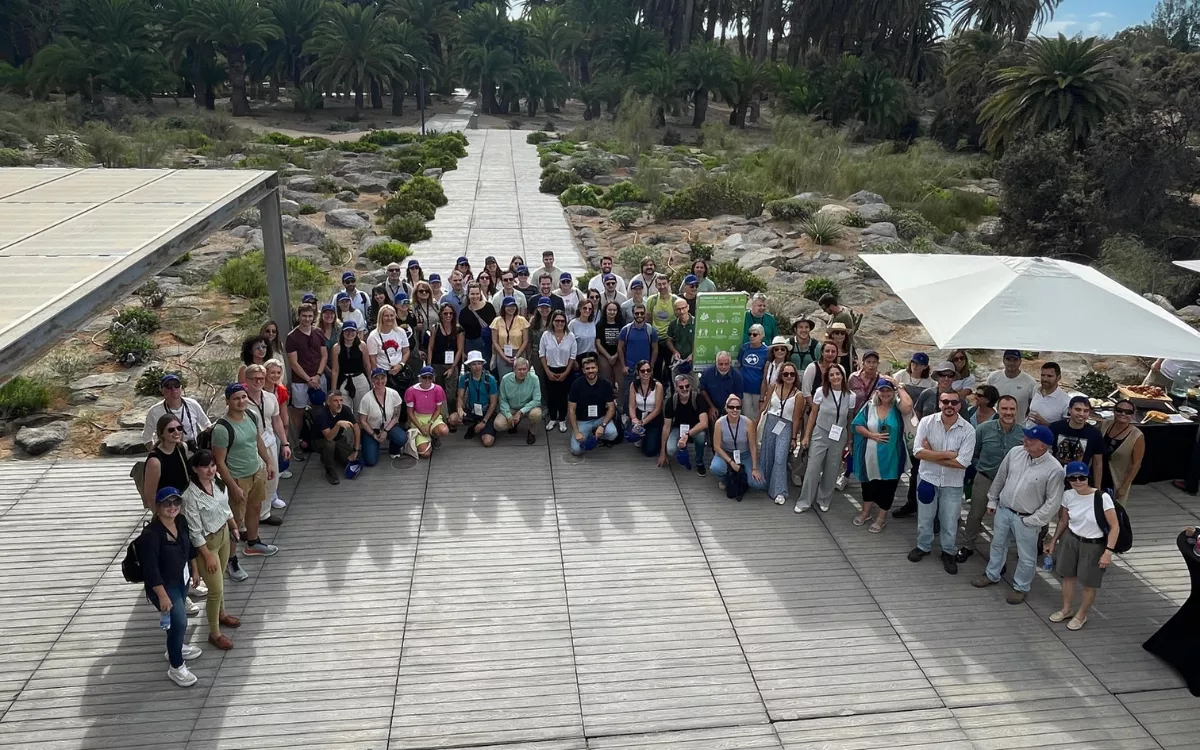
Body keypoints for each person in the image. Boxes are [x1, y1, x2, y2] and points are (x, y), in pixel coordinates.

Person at [971, 424, 1065, 602]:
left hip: (1026, 519)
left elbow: (1053, 502)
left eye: (1030, 439)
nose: (1025, 440)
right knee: (997, 544)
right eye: (1026, 437)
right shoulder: (1015, 452)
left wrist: (1033, 520)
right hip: (1004, 510)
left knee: (1026, 556)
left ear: (1042, 446)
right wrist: (993, 499)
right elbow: (1000, 477)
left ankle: (1021, 587)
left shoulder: (1055, 469)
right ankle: (992, 574)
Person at [1044, 462, 1120, 630]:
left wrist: (1108, 552)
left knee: (1088, 583)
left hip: (1094, 544)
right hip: (1071, 539)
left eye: (1081, 478)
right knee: (1067, 576)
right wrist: (1053, 540)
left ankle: (1081, 615)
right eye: (1073, 478)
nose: (1077, 481)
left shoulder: (1102, 498)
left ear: (1088, 478)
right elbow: (1064, 521)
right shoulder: (1068, 495)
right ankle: (1066, 609)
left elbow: (1115, 526)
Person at [907, 387, 975, 574]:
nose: (949, 405)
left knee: (950, 520)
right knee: (925, 517)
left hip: (952, 483)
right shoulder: (927, 422)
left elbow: (963, 463)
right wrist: (946, 455)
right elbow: (917, 452)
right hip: (928, 479)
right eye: (946, 402)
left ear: (959, 405)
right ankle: (923, 546)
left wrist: (931, 454)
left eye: (954, 402)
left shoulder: (968, 430)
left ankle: (948, 551)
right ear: (940, 403)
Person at [138, 486, 200, 687]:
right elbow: (151, 570)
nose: (172, 507)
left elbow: (188, 547)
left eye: (176, 502)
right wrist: (162, 596)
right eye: (167, 503)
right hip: (164, 586)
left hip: (181, 580)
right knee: (180, 622)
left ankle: (176, 646)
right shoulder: (150, 535)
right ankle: (176, 667)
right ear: (157, 507)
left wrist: (195, 570)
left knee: (175, 622)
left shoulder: (180, 521)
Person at [181, 450, 241, 650]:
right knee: (215, 590)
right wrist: (206, 556)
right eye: (205, 466)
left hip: (223, 535)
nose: (210, 469)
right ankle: (214, 633)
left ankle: (222, 614)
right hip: (207, 544)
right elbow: (194, 531)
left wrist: (233, 526)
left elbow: (225, 509)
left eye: (213, 465)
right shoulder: (190, 496)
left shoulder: (217, 483)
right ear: (195, 469)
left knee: (221, 580)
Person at [211, 384, 278, 559]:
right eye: (236, 398)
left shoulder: (251, 415)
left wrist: (268, 462)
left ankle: (253, 543)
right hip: (238, 477)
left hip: (256, 471)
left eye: (243, 397)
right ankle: (231, 558)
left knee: (255, 508)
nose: (241, 401)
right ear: (227, 401)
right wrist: (233, 486)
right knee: (235, 520)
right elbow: (219, 462)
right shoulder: (222, 429)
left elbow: (257, 440)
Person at [956, 395, 1024, 562]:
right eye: (1004, 409)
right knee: (975, 514)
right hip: (986, 477)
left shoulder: (1024, 433)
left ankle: (1002, 551)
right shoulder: (983, 429)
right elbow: (974, 452)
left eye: (1012, 409)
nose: (1008, 412)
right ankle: (968, 545)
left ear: (1016, 410)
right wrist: (979, 468)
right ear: (998, 410)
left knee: (1006, 518)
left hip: (1012, 482)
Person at [894, 361, 961, 518]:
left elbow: (961, 425)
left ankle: (941, 514)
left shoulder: (958, 400)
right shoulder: (928, 394)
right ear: (937, 377)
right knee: (917, 474)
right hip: (924, 445)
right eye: (943, 375)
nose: (946, 378)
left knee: (943, 480)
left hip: (946, 447)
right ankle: (912, 503)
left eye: (950, 375)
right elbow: (917, 416)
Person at [851, 377, 913, 532]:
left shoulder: (898, 408)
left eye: (889, 390)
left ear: (893, 392)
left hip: (892, 457)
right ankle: (865, 512)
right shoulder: (869, 406)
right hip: (869, 457)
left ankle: (881, 518)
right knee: (868, 485)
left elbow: (909, 405)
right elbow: (857, 425)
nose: (885, 393)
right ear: (877, 392)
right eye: (882, 390)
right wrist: (872, 435)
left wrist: (899, 385)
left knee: (888, 487)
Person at [795, 364, 855, 513]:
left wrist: (849, 440)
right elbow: (813, 415)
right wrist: (806, 436)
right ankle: (804, 501)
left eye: (838, 374)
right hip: (820, 433)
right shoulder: (821, 392)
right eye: (832, 375)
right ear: (827, 378)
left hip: (839, 435)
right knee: (813, 468)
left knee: (832, 468)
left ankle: (824, 498)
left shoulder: (850, 396)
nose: (835, 377)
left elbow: (849, 419)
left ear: (843, 375)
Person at [244, 364, 289, 521]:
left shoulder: (270, 397)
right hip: (250, 445)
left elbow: (276, 420)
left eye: (261, 378)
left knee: (272, 477)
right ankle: (247, 518)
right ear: (247, 380)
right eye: (254, 378)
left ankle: (265, 513)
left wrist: (285, 443)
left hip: (269, 441)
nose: (258, 381)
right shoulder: (242, 399)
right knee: (255, 480)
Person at [760, 362, 806, 504]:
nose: (789, 376)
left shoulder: (798, 395)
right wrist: (755, 423)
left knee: (780, 458)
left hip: (786, 425)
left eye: (792, 374)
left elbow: (796, 417)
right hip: (771, 422)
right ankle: (766, 484)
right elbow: (764, 407)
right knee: (767, 454)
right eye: (786, 374)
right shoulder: (773, 386)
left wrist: (794, 437)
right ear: (781, 375)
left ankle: (779, 491)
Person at [710, 394, 766, 493]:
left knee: (758, 484)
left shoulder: (748, 422)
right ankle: (725, 480)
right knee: (716, 468)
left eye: (738, 407)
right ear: (726, 408)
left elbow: (752, 446)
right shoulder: (719, 423)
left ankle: (744, 477)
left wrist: (754, 468)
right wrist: (731, 462)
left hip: (744, 454)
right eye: (731, 407)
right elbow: (717, 447)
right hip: (725, 453)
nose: (735, 410)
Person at [285, 304, 328, 435]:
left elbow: (324, 355)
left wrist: (318, 375)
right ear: (299, 317)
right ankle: (298, 440)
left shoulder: (319, 332)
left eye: (310, 316)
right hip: (300, 381)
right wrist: (308, 379)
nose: (307, 319)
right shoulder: (292, 337)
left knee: (321, 408)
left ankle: (320, 436)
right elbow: (293, 362)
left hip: (319, 377)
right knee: (299, 411)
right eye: (304, 316)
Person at [143, 373, 211, 452]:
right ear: (162, 390)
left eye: (176, 385)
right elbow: (147, 437)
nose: (173, 389)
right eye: (168, 386)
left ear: (181, 388)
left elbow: (206, 426)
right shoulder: (154, 411)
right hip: (168, 452)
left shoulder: (192, 404)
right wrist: (155, 455)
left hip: (191, 451)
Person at [568, 353, 618, 455]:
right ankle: (589, 435)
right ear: (583, 370)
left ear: (597, 368)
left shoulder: (605, 384)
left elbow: (611, 408)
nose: (590, 371)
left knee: (613, 434)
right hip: (583, 420)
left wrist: (603, 425)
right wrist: (577, 432)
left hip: (600, 418)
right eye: (587, 368)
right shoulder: (576, 385)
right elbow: (571, 410)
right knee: (576, 450)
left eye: (593, 368)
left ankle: (596, 434)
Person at [1049, 396, 1106, 487]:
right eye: (1078, 409)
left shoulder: (1095, 434)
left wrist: (1097, 487)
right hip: (1055, 477)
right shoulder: (1055, 427)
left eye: (1086, 411)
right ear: (1069, 410)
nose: (1081, 414)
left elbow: (1097, 463)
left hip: (1079, 480)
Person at [658, 373, 709, 473]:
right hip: (678, 428)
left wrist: (687, 434)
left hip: (695, 428)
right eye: (681, 387)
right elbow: (666, 427)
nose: (685, 389)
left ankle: (699, 462)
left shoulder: (698, 398)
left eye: (687, 386)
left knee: (701, 436)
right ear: (676, 388)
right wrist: (662, 453)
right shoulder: (671, 401)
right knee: (671, 449)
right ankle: (682, 451)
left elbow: (704, 423)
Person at [142, 415, 192, 513]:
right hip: (167, 508)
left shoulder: (182, 448)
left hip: (183, 503)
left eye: (179, 428)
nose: (177, 432)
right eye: (171, 430)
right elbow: (150, 495)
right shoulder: (155, 461)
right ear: (161, 434)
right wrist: (157, 516)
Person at [449, 351, 499, 447]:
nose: (477, 367)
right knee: (452, 419)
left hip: (486, 411)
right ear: (469, 366)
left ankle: (482, 426)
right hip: (471, 409)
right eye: (474, 364)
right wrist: (459, 407)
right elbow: (460, 396)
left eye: (479, 364)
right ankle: (474, 425)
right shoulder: (465, 378)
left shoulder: (490, 379)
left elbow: (493, 403)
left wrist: (484, 421)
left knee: (488, 442)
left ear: (482, 365)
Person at [357, 368, 407, 464]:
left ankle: (393, 449)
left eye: (382, 378)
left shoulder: (394, 394)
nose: (380, 381)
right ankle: (370, 445)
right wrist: (373, 435)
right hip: (372, 430)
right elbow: (362, 421)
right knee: (370, 461)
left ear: (386, 379)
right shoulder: (366, 399)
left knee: (402, 438)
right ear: (372, 380)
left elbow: (396, 416)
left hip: (389, 427)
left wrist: (385, 431)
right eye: (377, 379)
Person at [1100, 399, 1144, 505]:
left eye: (1128, 412)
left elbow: (1136, 465)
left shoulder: (1137, 436)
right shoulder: (1105, 424)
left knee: (1112, 511)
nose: (1123, 414)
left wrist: (1124, 487)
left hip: (1116, 478)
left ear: (1133, 415)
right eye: (1119, 410)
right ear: (1114, 411)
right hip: (1098, 473)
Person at [312, 390, 361, 484]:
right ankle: (329, 470)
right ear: (328, 402)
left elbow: (356, 428)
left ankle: (332, 456)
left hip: (338, 439)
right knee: (330, 444)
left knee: (353, 459)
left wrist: (356, 450)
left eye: (341, 400)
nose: (339, 404)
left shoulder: (345, 409)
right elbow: (328, 437)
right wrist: (338, 424)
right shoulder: (321, 414)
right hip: (320, 440)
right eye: (335, 401)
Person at [540, 310, 578, 432]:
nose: (559, 323)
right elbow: (542, 354)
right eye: (557, 320)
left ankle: (562, 419)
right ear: (553, 321)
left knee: (562, 396)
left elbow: (572, 356)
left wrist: (566, 373)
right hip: (549, 368)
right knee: (551, 395)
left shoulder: (570, 336)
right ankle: (552, 418)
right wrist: (547, 371)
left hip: (565, 369)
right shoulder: (546, 335)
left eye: (562, 321)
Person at [494, 357, 542, 444]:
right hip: (512, 408)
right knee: (498, 424)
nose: (522, 372)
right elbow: (503, 400)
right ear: (514, 369)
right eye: (519, 369)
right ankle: (513, 423)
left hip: (527, 408)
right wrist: (508, 415)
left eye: (524, 369)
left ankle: (532, 432)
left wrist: (521, 412)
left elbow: (537, 400)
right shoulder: (505, 379)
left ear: (528, 369)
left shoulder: (534, 379)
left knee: (537, 414)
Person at [617, 304, 658, 405]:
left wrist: (651, 367)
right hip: (630, 369)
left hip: (645, 370)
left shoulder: (651, 330)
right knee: (628, 394)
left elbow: (655, 349)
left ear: (645, 314)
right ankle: (626, 417)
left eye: (642, 313)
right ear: (633, 314)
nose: (639, 315)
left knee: (646, 394)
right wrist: (623, 366)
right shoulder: (626, 330)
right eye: (637, 313)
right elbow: (620, 348)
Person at [405, 366, 450, 457]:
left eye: (430, 377)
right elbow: (410, 412)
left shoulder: (438, 389)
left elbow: (438, 410)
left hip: (433, 417)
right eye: (424, 377)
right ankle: (426, 439)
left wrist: (430, 423)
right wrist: (421, 428)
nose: (427, 380)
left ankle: (434, 436)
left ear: (433, 378)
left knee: (444, 430)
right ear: (420, 377)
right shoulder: (411, 391)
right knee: (425, 454)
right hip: (418, 419)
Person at [427, 303, 464, 408]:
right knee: (438, 392)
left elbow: (460, 349)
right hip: (436, 364)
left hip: (451, 365)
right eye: (445, 313)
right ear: (441, 314)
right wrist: (429, 366)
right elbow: (430, 347)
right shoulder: (435, 328)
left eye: (451, 313)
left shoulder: (458, 329)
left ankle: (451, 415)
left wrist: (453, 367)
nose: (448, 316)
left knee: (451, 394)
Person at [366, 304, 411, 389]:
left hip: (400, 372)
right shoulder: (373, 336)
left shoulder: (401, 332)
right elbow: (372, 359)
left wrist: (401, 365)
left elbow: (406, 351)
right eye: (386, 316)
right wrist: (378, 376)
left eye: (391, 315)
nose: (389, 318)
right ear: (381, 317)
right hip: (383, 373)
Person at [986, 350, 1036, 424]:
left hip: (1019, 426)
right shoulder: (993, 377)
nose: (1011, 363)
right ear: (1003, 360)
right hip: (995, 425)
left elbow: (1032, 405)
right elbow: (987, 400)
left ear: (1020, 361)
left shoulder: (1030, 382)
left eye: (1015, 360)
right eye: (1008, 359)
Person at [628, 359, 665, 459]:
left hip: (653, 417)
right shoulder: (633, 385)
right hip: (639, 414)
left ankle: (649, 437)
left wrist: (643, 422)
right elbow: (631, 406)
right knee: (630, 437)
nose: (645, 373)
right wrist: (634, 419)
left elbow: (657, 409)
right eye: (643, 371)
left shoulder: (658, 386)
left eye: (648, 370)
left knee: (650, 451)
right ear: (638, 372)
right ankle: (643, 436)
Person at [699, 352, 744, 434]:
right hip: (712, 406)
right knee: (714, 421)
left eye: (726, 364)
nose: (723, 367)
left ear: (730, 363)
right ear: (716, 363)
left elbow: (739, 396)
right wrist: (711, 407)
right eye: (721, 364)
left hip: (729, 407)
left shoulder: (737, 375)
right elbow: (702, 390)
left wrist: (730, 410)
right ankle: (713, 444)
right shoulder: (707, 373)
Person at [645, 274, 678, 381]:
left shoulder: (675, 300)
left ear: (668, 284)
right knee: (656, 368)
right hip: (656, 340)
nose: (662, 286)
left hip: (670, 340)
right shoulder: (652, 300)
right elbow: (648, 319)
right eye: (659, 284)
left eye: (664, 284)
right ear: (656, 285)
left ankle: (671, 393)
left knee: (671, 368)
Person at [264, 360, 292, 483]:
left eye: (278, 373)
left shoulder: (280, 390)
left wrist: (285, 433)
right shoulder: (258, 388)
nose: (275, 375)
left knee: (275, 451)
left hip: (275, 425)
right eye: (272, 372)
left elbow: (283, 411)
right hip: (261, 426)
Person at [330, 321, 370, 407]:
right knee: (343, 407)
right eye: (347, 331)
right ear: (343, 332)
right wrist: (333, 390)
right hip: (343, 380)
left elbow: (367, 365)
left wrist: (371, 382)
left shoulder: (362, 345)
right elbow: (335, 370)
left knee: (361, 408)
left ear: (356, 332)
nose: (350, 333)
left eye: (352, 331)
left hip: (359, 379)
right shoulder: (336, 348)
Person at [491, 295, 530, 379]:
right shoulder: (497, 321)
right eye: (509, 306)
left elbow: (525, 341)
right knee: (504, 379)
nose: (511, 308)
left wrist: (516, 357)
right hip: (502, 354)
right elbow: (494, 341)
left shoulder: (522, 320)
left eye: (513, 306)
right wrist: (504, 357)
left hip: (519, 352)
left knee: (520, 379)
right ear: (503, 307)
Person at [737, 326, 769, 419]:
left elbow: (766, 373)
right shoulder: (744, 348)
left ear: (762, 336)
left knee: (758, 417)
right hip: (744, 389)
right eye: (750, 334)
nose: (752, 336)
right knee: (746, 416)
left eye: (755, 334)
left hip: (758, 390)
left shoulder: (766, 351)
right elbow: (739, 365)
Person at [1028, 362, 1071, 427]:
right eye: (1043, 375)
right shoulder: (1036, 389)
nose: (1045, 379)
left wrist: (1046, 424)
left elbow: (1066, 428)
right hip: (1027, 434)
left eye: (1049, 376)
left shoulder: (1066, 401)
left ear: (1058, 378)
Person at [666, 297, 696, 385]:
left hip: (692, 362)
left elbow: (702, 341)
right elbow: (668, 340)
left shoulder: (697, 322)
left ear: (688, 307)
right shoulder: (673, 324)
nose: (682, 311)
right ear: (675, 311)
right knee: (677, 388)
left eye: (683, 308)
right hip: (678, 362)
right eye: (678, 309)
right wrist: (674, 352)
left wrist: (693, 354)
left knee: (693, 388)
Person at [596, 301, 624, 388]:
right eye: (610, 310)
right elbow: (598, 343)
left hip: (618, 355)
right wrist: (608, 356)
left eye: (614, 310)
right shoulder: (600, 325)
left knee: (621, 383)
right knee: (606, 381)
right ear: (605, 311)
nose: (612, 312)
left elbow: (623, 343)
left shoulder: (622, 325)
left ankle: (620, 401)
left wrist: (616, 356)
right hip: (604, 356)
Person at [765, 340, 797, 407]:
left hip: (781, 399)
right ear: (773, 351)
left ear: (786, 351)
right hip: (767, 397)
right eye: (776, 349)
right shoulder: (768, 364)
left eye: (782, 349)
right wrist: (761, 399)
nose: (779, 351)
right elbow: (764, 382)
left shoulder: (789, 367)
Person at [316, 304, 340, 381]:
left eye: (331, 313)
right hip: (322, 369)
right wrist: (327, 370)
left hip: (339, 367)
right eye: (326, 313)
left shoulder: (340, 329)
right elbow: (317, 354)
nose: (329, 315)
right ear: (321, 315)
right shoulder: (316, 332)